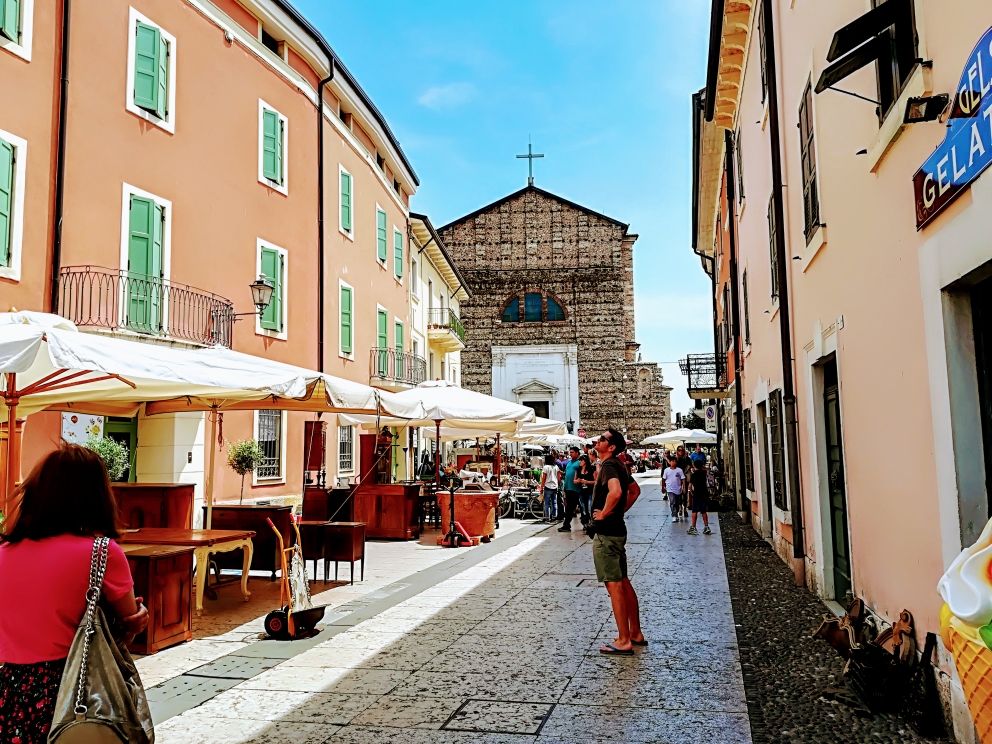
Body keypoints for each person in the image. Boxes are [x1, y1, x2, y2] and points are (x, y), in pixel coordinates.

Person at [0, 444, 149, 744]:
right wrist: (137, 621)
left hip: (11, 690)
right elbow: (126, 629)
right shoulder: (102, 553)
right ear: (96, 494)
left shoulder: (3, 554)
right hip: (77, 692)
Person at [591, 429, 644, 655]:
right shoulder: (619, 464)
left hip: (607, 533)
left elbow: (617, 491)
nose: (598, 440)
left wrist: (604, 513)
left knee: (614, 585)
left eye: (603, 439)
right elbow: (634, 490)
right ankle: (635, 633)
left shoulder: (611, 465)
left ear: (611, 447)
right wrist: (620, 511)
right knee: (622, 581)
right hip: (618, 530)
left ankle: (624, 639)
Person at [559, 447, 583, 532]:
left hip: (576, 489)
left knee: (574, 507)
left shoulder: (580, 463)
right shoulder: (569, 463)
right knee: (570, 507)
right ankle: (567, 525)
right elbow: (568, 473)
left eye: (572, 452)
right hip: (568, 488)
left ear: (577, 453)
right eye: (570, 452)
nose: (571, 454)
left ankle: (567, 525)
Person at [687, 458, 712, 535]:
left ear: (694, 466)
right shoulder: (705, 473)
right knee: (703, 511)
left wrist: (692, 493)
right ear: (702, 466)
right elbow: (710, 480)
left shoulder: (693, 475)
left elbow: (690, 486)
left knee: (694, 511)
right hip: (704, 494)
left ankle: (693, 527)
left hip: (696, 494)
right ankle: (706, 526)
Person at [662, 455, 686, 522]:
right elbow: (663, 479)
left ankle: (677, 513)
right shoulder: (666, 470)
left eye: (675, 461)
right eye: (672, 461)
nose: (674, 463)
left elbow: (683, 479)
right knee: (672, 501)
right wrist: (663, 487)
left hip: (678, 489)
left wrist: (684, 487)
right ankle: (674, 515)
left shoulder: (679, 470)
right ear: (669, 462)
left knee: (677, 502)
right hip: (670, 489)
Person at [575, 454, 595, 531]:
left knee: (590, 508)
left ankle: (591, 523)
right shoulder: (578, 470)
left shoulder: (591, 470)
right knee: (583, 509)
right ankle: (585, 524)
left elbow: (596, 481)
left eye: (581, 460)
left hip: (589, 491)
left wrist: (587, 482)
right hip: (581, 491)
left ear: (585, 461)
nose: (580, 462)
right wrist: (578, 481)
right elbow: (574, 480)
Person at [540, 453, 560, 522]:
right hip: (555, 486)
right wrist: (558, 484)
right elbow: (559, 477)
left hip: (548, 486)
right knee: (554, 502)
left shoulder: (546, 467)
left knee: (547, 503)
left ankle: (547, 517)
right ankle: (554, 517)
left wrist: (541, 487)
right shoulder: (556, 467)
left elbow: (544, 478)